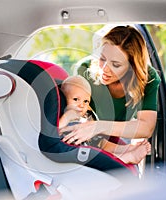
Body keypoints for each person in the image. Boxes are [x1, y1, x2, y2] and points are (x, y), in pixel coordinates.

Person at [60, 26, 160, 162]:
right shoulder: (85, 70)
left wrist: (96, 127)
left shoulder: (148, 78)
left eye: (116, 65)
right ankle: (123, 155)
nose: (104, 69)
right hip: (87, 130)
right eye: (102, 58)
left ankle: (124, 152)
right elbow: (74, 111)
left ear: (132, 67)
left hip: (111, 133)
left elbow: (146, 127)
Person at [59, 75, 151, 164]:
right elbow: (56, 132)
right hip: (78, 148)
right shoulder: (62, 114)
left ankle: (125, 149)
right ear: (63, 99)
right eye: (76, 99)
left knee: (103, 142)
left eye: (86, 101)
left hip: (93, 142)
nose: (81, 105)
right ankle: (123, 158)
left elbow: (96, 133)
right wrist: (66, 117)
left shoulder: (87, 114)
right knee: (93, 149)